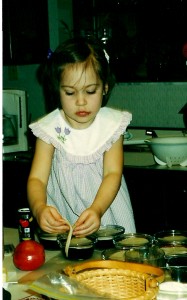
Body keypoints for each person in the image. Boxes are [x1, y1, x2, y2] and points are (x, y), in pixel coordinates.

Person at [27, 36, 136, 237]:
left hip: (105, 212)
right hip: (62, 217)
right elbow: (37, 179)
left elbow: (112, 174)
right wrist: (39, 208)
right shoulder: (49, 129)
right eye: (70, 92)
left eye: (90, 91)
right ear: (57, 91)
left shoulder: (111, 125)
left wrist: (97, 210)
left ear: (104, 88)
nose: (80, 101)